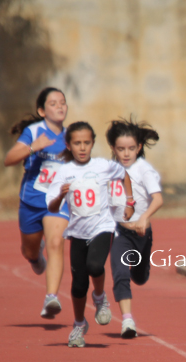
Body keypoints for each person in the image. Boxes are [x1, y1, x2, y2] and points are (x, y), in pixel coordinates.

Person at [46, 122, 134, 348]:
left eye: (86, 142)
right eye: (77, 143)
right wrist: (60, 196)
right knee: (78, 286)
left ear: (93, 143)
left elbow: (124, 174)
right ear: (69, 145)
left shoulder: (103, 166)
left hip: (102, 227)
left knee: (95, 266)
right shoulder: (64, 172)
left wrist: (129, 201)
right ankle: (79, 324)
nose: (82, 147)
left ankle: (100, 297)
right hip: (77, 232)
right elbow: (52, 207)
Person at [4, 87, 71, 319]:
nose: (60, 106)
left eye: (62, 102)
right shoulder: (33, 132)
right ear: (42, 111)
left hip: (58, 202)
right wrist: (34, 147)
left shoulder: (72, 136)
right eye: (53, 103)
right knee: (29, 250)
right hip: (32, 201)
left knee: (56, 243)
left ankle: (51, 297)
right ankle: (35, 256)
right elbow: (9, 159)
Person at [106, 118, 163, 339]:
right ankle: (127, 320)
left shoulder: (143, 170)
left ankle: (141, 268)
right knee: (120, 273)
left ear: (139, 147)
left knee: (139, 277)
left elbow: (157, 199)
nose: (126, 153)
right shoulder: (109, 170)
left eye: (131, 148)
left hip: (141, 234)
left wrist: (144, 218)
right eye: (121, 149)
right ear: (113, 148)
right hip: (120, 233)